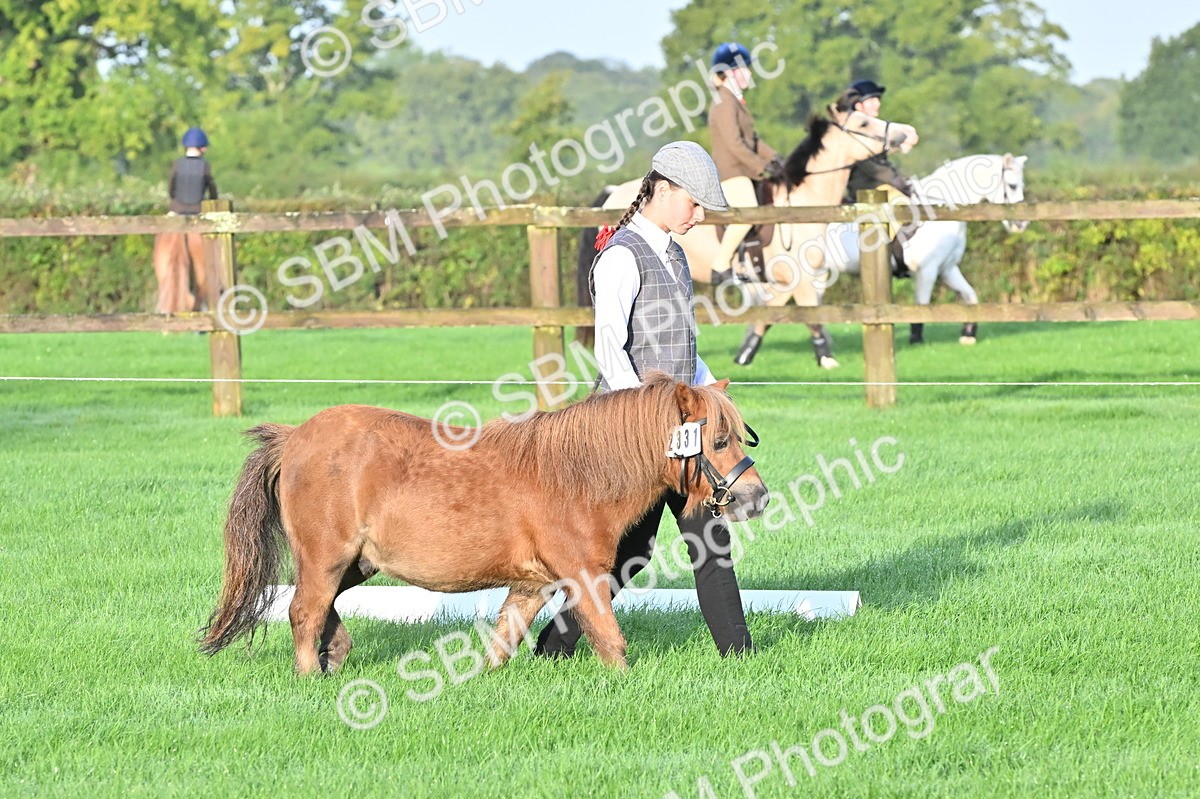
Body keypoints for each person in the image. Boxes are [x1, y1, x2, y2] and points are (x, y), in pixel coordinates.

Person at [534, 141, 753, 659]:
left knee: (709, 541)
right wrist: (652, 432)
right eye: (694, 204)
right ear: (664, 189)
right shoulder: (620, 257)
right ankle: (553, 648)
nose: (700, 217)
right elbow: (610, 352)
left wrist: (711, 391)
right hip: (632, 436)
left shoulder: (673, 254)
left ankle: (740, 655)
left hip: (687, 429)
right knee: (632, 550)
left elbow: (682, 346)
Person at [706, 42, 784, 282]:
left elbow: (753, 140)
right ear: (730, 72)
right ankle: (720, 265)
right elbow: (735, 144)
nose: (749, 74)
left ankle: (745, 262)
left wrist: (775, 157)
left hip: (743, 169)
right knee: (748, 211)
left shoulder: (734, 100)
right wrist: (762, 166)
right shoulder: (724, 101)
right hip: (732, 171)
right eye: (744, 69)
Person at [837, 80, 918, 279]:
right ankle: (887, 255)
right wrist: (895, 181)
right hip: (866, 186)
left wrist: (900, 178)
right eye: (872, 100)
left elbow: (884, 162)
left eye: (877, 100)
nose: (877, 104)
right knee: (903, 207)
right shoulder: (855, 131)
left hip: (880, 183)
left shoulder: (874, 128)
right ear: (858, 105)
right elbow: (870, 167)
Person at [168, 127, 218, 215]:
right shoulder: (205, 166)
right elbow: (212, 190)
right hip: (198, 209)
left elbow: (171, 187)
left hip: (177, 209)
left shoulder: (177, 164)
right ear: (203, 148)